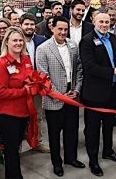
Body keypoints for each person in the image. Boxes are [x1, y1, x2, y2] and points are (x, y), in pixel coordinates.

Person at [36, 16, 85, 177]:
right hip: (53, 100)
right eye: (60, 29)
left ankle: (71, 158)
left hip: (72, 96)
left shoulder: (73, 45)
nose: (63, 32)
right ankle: (56, 163)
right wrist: (59, 94)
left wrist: (76, 90)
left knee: (72, 131)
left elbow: (78, 69)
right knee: (54, 134)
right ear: (52, 28)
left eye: (66, 29)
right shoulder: (43, 49)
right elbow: (44, 76)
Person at [79, 12, 116, 177]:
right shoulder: (86, 41)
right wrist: (113, 71)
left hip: (112, 90)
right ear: (93, 21)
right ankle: (93, 161)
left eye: (107, 22)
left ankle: (108, 150)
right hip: (94, 93)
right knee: (92, 129)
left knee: (108, 125)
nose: (104, 24)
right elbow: (89, 67)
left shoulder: (112, 38)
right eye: (101, 21)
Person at [0, 27, 34, 179]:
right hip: (8, 114)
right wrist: (24, 91)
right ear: (7, 42)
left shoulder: (26, 60)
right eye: (14, 40)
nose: (18, 43)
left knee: (17, 148)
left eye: (21, 40)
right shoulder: (0, 65)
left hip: (23, 111)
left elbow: (30, 79)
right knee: (11, 150)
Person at [19, 13, 49, 153]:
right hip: (20, 86)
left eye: (32, 24)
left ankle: (38, 142)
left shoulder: (42, 40)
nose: (29, 27)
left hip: (37, 85)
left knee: (38, 115)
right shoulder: (16, 40)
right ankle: (17, 146)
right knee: (20, 116)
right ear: (21, 26)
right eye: (26, 24)